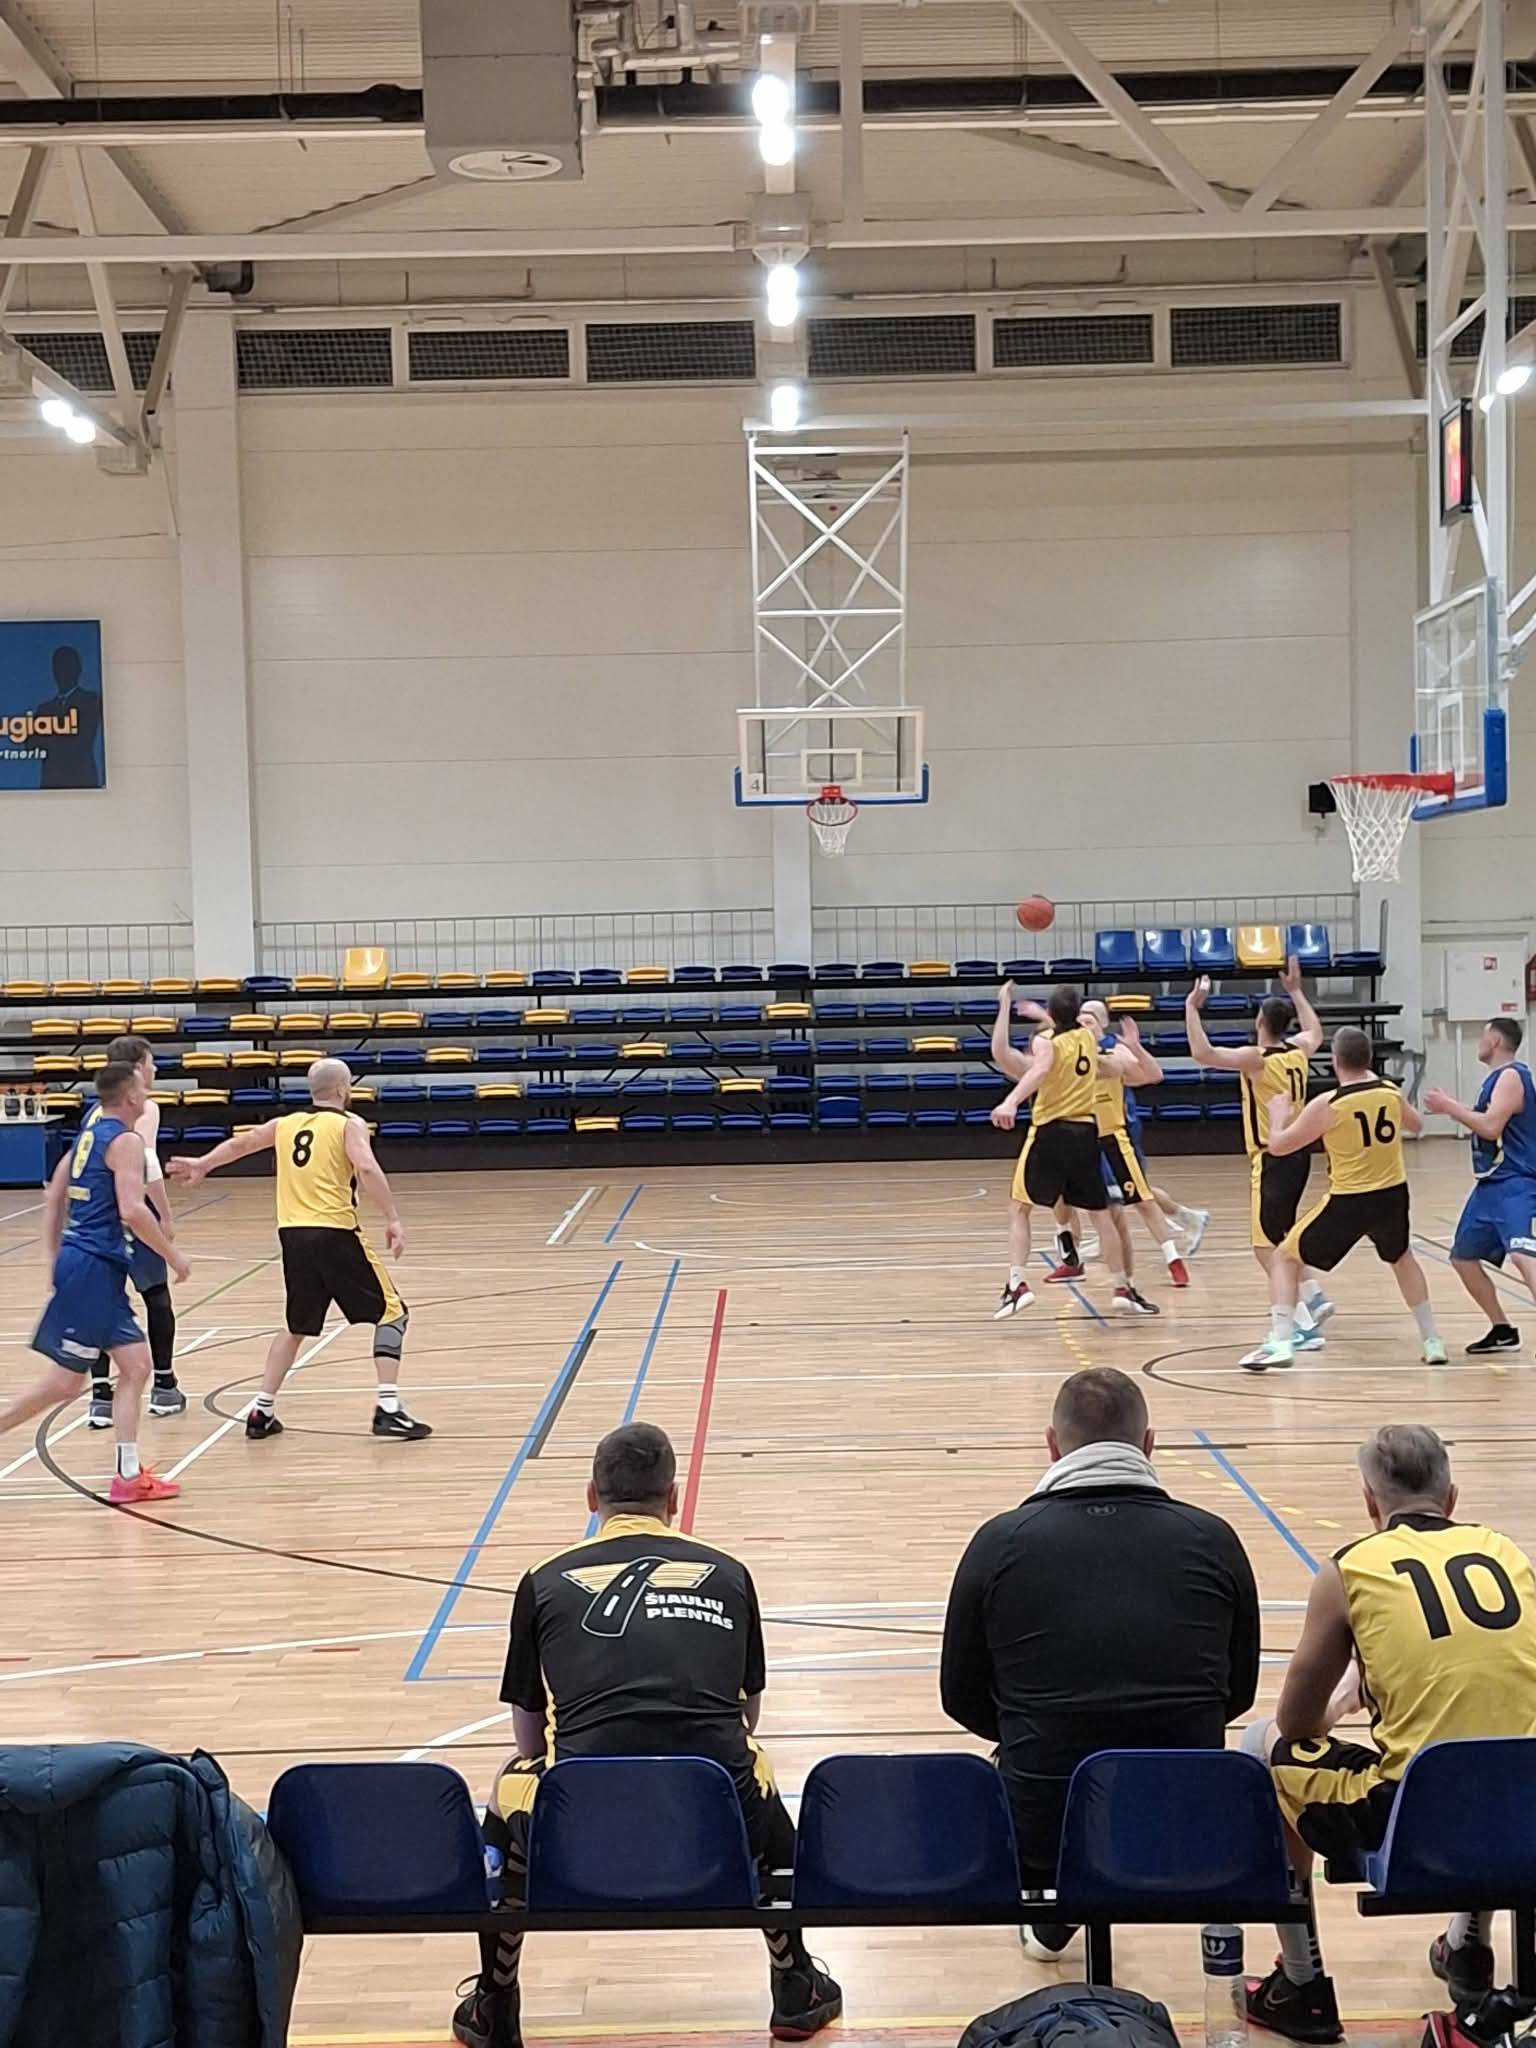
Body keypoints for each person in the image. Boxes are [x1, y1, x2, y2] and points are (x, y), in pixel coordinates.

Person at [453, 1423, 842, 2048]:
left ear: (591, 1496)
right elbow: (747, 1717)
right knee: (755, 1770)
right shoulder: (729, 1573)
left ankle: (495, 2004)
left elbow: (529, 1741)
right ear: (674, 1498)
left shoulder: (542, 1579)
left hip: (581, 1833)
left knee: (512, 1781)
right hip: (711, 1825)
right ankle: (796, 1985)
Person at [940, 1367, 1259, 1959]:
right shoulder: (1212, 1538)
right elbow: (1236, 1692)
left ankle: (1056, 1915)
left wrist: (1031, 1730)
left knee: (1043, 1756)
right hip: (1185, 1822)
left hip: (1043, 1830)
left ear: (1052, 1445)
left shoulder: (1000, 1542)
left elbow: (959, 1696)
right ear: (1149, 1444)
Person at [1246, 1424, 1536, 2040]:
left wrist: (1349, 1694)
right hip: (1526, 1808)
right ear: (1451, 1497)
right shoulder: (1508, 1553)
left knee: (1262, 1742)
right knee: (1489, 1745)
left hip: (1417, 1824)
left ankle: (1301, 1983)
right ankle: (1467, 1944)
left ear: (1369, 1502)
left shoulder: (1351, 1568)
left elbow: (1297, 1724)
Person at [168, 1057, 428, 1440]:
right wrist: (392, 1217)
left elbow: (243, 1143)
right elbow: (367, 1168)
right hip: (335, 1231)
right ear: (342, 1090)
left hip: (292, 1235)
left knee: (295, 1325)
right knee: (393, 1314)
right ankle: (388, 1408)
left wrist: (204, 1163)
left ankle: (261, 1410)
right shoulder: (348, 1124)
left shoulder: (285, 1124)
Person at [0, 1062, 188, 1503]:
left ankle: (127, 1474)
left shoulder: (87, 1135)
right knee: (65, 1384)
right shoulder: (126, 1141)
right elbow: (133, 1210)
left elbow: (55, 1194)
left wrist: (54, 1256)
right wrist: (173, 1254)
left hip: (92, 1264)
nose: (147, 1094)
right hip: (93, 1267)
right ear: (130, 1096)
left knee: (136, 1367)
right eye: (142, 1088)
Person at [1246, 1026, 1446, 1374]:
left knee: (1283, 1258)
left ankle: (1281, 1340)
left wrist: (1277, 1118)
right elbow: (1417, 1125)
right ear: (1369, 1059)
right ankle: (1432, 1340)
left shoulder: (1329, 1104)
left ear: (1335, 1061)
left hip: (1349, 1200)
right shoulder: (1389, 1092)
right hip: (1392, 1195)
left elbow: (1278, 1147)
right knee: (1402, 1259)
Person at [1186, 958, 1334, 1363]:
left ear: (1260, 1022)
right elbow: (1315, 1032)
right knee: (1283, 1239)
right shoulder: (1299, 1051)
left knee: (1264, 1248)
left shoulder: (1257, 1059)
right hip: (1299, 1154)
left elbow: (1202, 1053)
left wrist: (1191, 1008)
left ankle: (1299, 1325)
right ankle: (1312, 1298)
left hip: (1271, 1158)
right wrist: (1296, 990)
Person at [989, 985, 1140, 1317]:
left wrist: (1010, 1101)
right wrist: (1044, 1014)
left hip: (1051, 1131)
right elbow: (1069, 1030)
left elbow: (1039, 1066)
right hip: (1086, 1133)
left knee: (1019, 1209)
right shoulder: (1087, 1038)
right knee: (1101, 1216)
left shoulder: (1046, 1044)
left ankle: (1017, 1285)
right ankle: (1122, 1287)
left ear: (1052, 1014)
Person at [85, 1034, 185, 1429]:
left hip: (95, 1219)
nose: (156, 1068)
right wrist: (165, 1216)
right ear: (139, 1068)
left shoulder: (95, 1112)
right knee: (157, 1297)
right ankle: (164, 1386)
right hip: (130, 1213)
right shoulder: (144, 1108)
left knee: (100, 1302)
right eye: (151, 1061)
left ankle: (100, 1396)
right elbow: (146, 1164)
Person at [1425, 1017, 1536, 1353]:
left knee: (1522, 1256)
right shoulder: (1497, 1079)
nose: (1480, 1042)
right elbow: (1487, 1124)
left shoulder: (1512, 1076)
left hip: (1516, 1182)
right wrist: (1454, 1108)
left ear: (1497, 1042)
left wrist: (1450, 1107)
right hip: (1490, 1185)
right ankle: (1502, 1330)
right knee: (1463, 1257)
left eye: (1484, 1036)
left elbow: (1489, 1126)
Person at [33, 643, 104, 790]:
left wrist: (50, 735)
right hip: (51, 783)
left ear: (78, 669)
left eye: (67, 665)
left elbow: (82, 736)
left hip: (82, 780)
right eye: (58, 666)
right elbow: (31, 744)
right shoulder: (44, 709)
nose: (62, 671)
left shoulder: (91, 701)